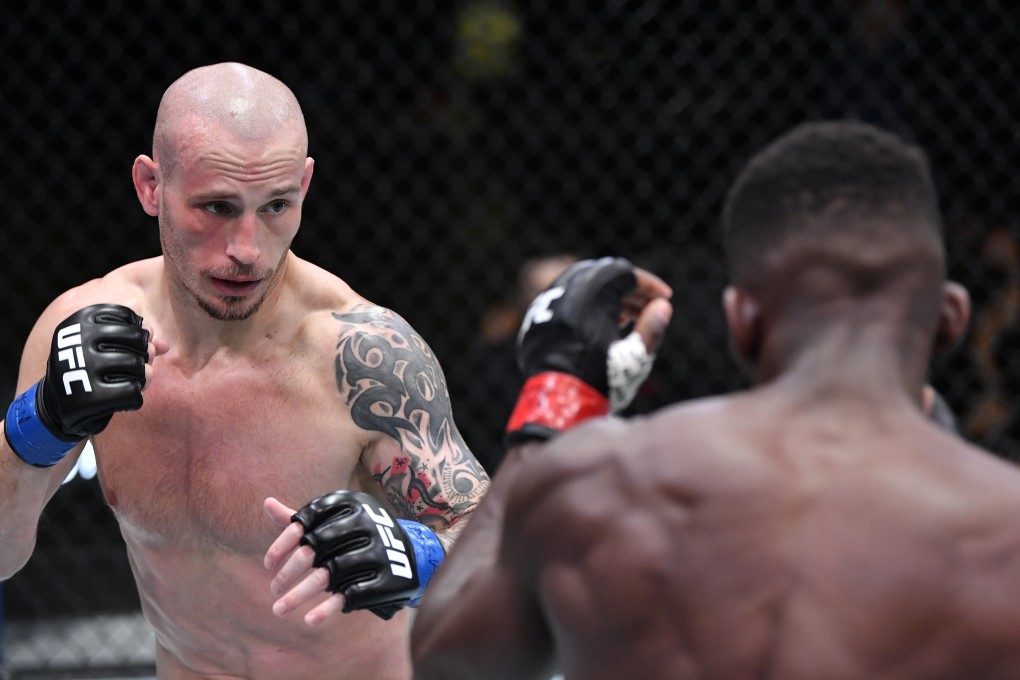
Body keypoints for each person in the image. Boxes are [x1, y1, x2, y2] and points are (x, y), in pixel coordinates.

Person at [410, 120, 1020, 679]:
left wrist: (557, 397)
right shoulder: (1003, 535)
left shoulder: (610, 480)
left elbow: (450, 656)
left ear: (741, 320)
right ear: (950, 320)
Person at [0, 62, 489, 680]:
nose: (248, 250)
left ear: (306, 187)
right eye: (216, 207)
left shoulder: (364, 358)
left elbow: (505, 540)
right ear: (151, 186)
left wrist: (421, 555)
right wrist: (37, 425)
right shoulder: (78, 330)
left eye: (277, 205)